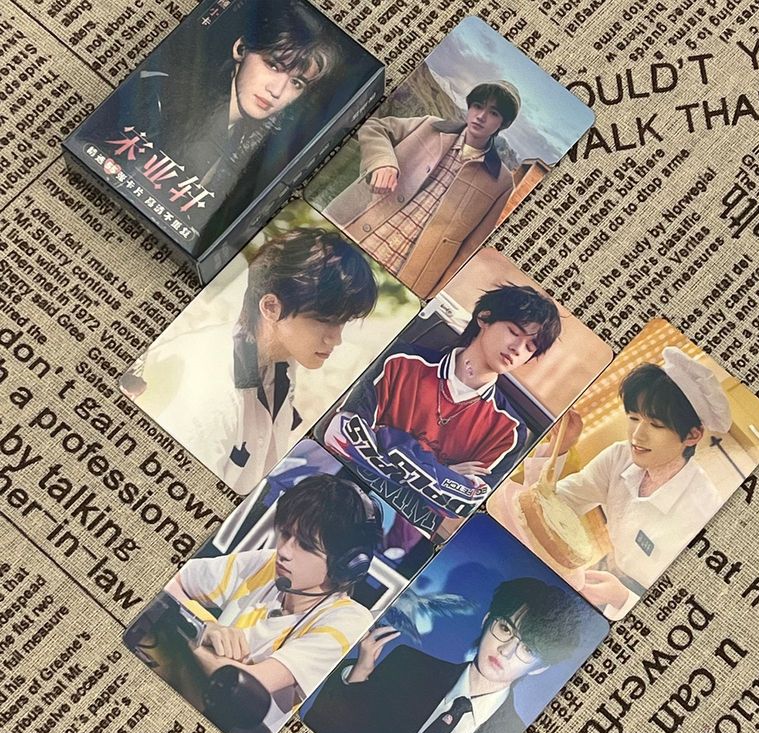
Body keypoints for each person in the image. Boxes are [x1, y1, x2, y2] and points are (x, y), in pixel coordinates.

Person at [123, 228, 377, 494]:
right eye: (325, 320)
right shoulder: (211, 392)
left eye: (343, 321)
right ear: (270, 307)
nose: (336, 339)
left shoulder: (279, 360)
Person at [304, 577, 585, 733]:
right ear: (487, 620)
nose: (506, 650)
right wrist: (360, 673)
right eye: (505, 628)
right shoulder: (410, 665)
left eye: (527, 649)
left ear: (539, 667)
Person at [508, 347, 732, 619]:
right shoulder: (620, 456)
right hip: (609, 568)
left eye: (655, 425)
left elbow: (693, 604)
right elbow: (552, 503)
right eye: (634, 418)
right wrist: (560, 446)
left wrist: (623, 598)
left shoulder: (704, 511)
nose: (637, 435)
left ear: (692, 436)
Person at [155, 474, 379, 733]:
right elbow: (170, 580)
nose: (284, 551)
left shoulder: (350, 620)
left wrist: (181, 630)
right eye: (286, 533)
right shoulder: (268, 563)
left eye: (306, 545)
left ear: (347, 565)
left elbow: (243, 687)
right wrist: (204, 627)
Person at [324, 284, 561, 531]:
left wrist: (384, 438)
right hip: (334, 492)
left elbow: (462, 505)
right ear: (484, 318)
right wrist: (443, 473)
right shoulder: (400, 360)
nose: (518, 349)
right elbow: (340, 434)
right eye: (514, 332)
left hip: (407, 534)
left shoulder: (509, 430)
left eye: (530, 347)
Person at [95, 3, 339, 237]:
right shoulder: (162, 96)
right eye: (273, 65)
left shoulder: (252, 149)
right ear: (241, 49)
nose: (276, 90)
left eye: (296, 83)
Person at [325, 81, 521, 298]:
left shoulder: (502, 183)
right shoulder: (429, 126)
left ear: (503, 123)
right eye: (477, 106)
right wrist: (383, 161)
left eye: (493, 113)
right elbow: (374, 127)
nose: (481, 116)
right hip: (362, 230)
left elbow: (470, 248)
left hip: (408, 272)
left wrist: (433, 295)